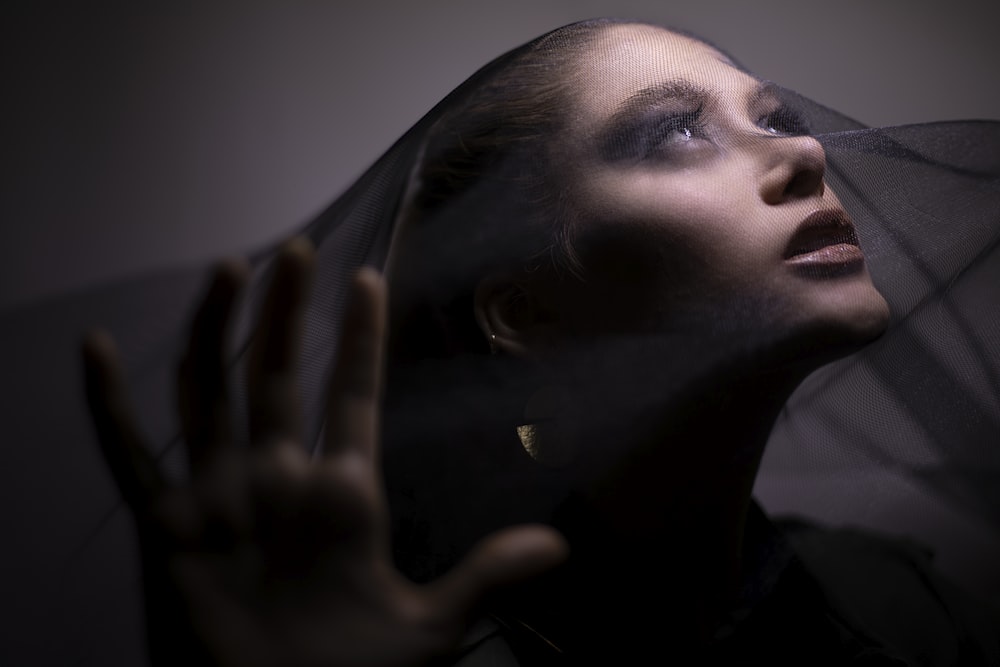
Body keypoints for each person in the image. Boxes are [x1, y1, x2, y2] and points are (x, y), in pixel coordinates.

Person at [79, 18, 1000, 666]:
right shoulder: (412, 644)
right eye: (676, 131)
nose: (806, 153)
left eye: (776, 118)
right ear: (523, 311)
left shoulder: (904, 606)